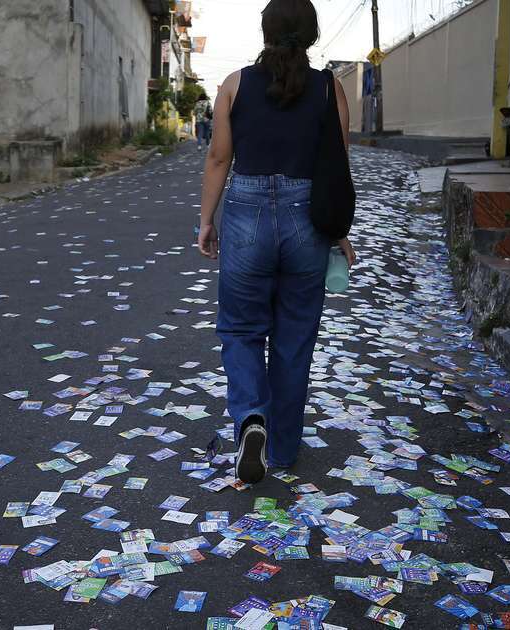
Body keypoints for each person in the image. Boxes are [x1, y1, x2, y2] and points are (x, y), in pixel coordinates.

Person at [197, 0, 356, 484]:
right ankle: (283, 449)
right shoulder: (331, 88)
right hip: (306, 217)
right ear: (310, 34)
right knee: (293, 338)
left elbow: (219, 159)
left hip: (245, 214)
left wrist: (207, 221)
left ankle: (251, 419)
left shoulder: (235, 85)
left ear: (265, 31)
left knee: (242, 330)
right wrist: (341, 232)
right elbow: (337, 164)